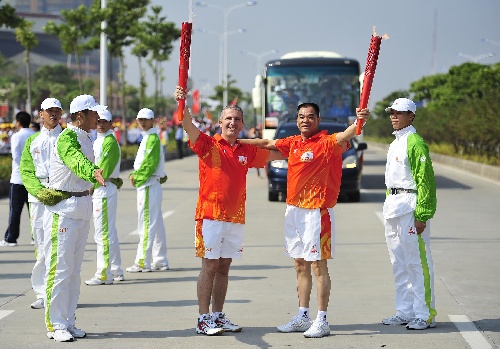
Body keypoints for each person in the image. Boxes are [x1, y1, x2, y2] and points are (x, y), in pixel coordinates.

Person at [239, 102, 370, 338]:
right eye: (301, 117)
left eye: (310, 117)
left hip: (316, 213)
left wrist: (359, 121)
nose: (305, 120)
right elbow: (267, 144)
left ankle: (322, 320)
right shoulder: (293, 143)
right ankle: (302, 316)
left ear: (317, 120)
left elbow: (349, 133)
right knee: (300, 265)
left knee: (318, 266)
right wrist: (234, 142)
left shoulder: (327, 142)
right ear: (297, 120)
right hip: (294, 211)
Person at [174, 86, 282, 336]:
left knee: (224, 266)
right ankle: (203, 318)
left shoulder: (246, 150)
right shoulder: (207, 145)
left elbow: (279, 153)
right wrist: (183, 103)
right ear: (220, 123)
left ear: (242, 124)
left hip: (235, 217)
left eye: (237, 119)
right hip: (210, 216)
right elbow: (188, 126)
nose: (232, 123)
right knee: (210, 265)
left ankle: (218, 315)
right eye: (228, 119)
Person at [42, 94, 106, 342]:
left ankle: (68, 321)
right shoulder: (68, 137)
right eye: (94, 113)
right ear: (81, 115)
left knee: (75, 270)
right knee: (60, 269)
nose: (98, 118)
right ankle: (55, 323)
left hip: (81, 206)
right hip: (64, 211)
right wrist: (93, 171)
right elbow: (75, 161)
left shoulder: (86, 136)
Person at [381, 98, 437, 330]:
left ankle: (424, 314)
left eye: (399, 113)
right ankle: (404, 310)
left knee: (417, 262)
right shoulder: (395, 142)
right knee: (399, 261)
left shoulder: (415, 142)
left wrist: (422, 214)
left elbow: (426, 181)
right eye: (392, 112)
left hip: (410, 205)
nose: (394, 116)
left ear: (411, 116)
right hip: (393, 204)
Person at [20, 98, 63, 310]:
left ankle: (58, 293)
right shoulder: (33, 141)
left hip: (62, 197)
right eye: (49, 111)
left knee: (59, 246)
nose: (53, 114)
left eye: (57, 111)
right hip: (38, 199)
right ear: (40, 114)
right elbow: (26, 171)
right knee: (41, 245)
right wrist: (39, 191)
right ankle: (42, 292)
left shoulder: (66, 138)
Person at [126, 108, 169, 273]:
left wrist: (136, 177)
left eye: (146, 119)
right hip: (151, 184)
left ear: (153, 120)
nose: (142, 122)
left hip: (148, 185)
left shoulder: (151, 138)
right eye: (140, 119)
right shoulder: (148, 138)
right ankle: (160, 259)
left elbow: (149, 164)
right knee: (156, 223)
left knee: (146, 224)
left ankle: (143, 261)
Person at [85, 110, 124, 286]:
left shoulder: (109, 142)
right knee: (109, 232)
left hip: (104, 189)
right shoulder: (97, 140)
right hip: (102, 189)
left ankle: (104, 273)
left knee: (103, 234)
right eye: (98, 121)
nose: (100, 124)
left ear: (110, 123)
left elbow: (104, 170)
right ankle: (115, 269)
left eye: (104, 122)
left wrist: (90, 186)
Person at [1, 111, 35, 247]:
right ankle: (35, 237)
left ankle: (11, 238)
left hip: (18, 179)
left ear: (18, 122)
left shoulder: (16, 136)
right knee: (34, 210)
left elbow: (15, 155)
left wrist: (23, 168)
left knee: (15, 210)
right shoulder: (35, 135)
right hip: (32, 178)